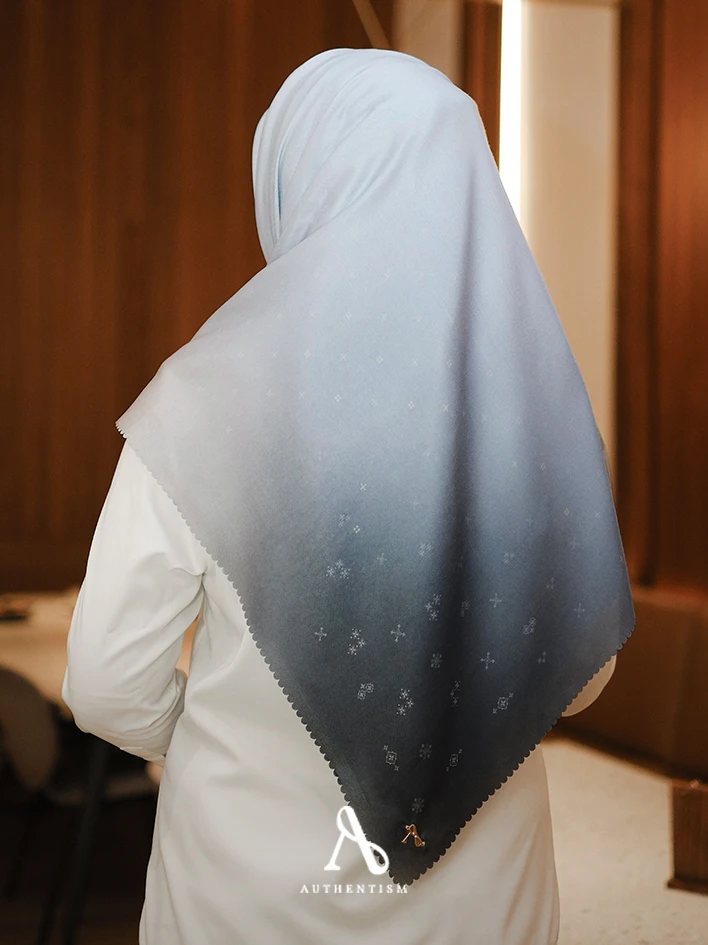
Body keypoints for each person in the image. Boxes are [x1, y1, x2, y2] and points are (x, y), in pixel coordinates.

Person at [63, 47, 634, 945]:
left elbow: (104, 683)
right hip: (489, 912)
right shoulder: (543, 417)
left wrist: (223, 740)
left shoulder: (205, 401)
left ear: (296, 183)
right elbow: (582, 679)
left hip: (245, 905)